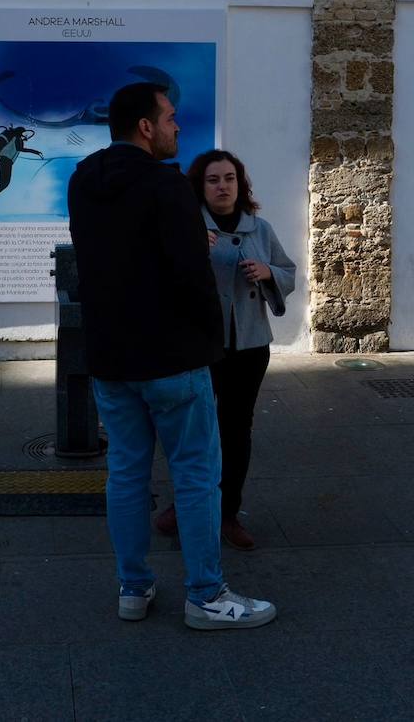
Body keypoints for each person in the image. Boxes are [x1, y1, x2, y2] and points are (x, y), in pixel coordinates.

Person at [67, 81, 276, 630]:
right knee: (195, 474)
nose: (177, 127)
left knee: (127, 473)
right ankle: (206, 594)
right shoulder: (166, 186)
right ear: (145, 127)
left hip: (111, 359)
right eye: (170, 118)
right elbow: (192, 276)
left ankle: (132, 588)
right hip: (173, 359)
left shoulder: (83, 180)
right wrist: (210, 343)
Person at [154, 149, 295, 550]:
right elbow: (162, 276)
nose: (222, 186)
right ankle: (185, 506)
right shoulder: (185, 227)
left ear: (240, 183)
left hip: (248, 345)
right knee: (193, 431)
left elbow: (288, 271)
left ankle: (228, 511)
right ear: (201, 186)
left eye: (229, 178)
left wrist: (269, 273)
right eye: (213, 179)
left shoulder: (260, 229)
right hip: (198, 344)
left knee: (236, 430)